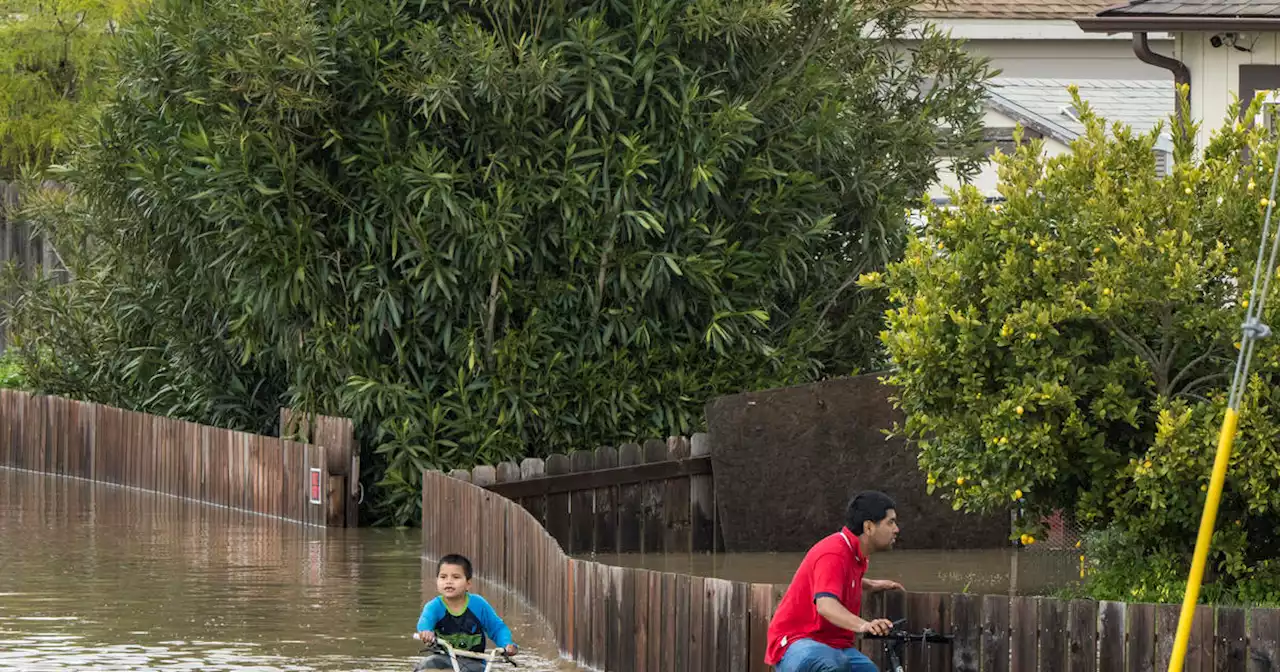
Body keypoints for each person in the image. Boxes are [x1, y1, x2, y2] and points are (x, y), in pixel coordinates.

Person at [765, 491, 906, 672]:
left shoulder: (855, 555)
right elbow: (825, 605)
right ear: (869, 527)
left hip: (834, 646)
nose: (896, 529)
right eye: (890, 522)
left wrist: (869, 584)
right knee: (831, 665)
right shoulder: (833, 553)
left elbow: (835, 577)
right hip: (796, 642)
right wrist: (865, 625)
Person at [413, 554, 518, 671]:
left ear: (468, 584)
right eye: (443, 577)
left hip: (474, 662)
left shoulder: (479, 605)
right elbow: (425, 621)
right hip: (442, 659)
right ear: (436, 581)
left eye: (456, 577)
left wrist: (507, 644)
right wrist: (426, 632)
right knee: (425, 666)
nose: (448, 582)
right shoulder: (434, 606)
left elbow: (497, 628)